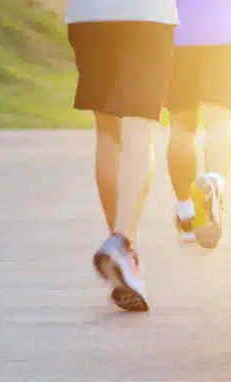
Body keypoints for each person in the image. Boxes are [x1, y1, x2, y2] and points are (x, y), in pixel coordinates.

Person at [65, 0, 179, 312]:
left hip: (89, 16)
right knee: (140, 132)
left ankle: (122, 251)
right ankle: (122, 241)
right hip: (145, 15)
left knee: (107, 132)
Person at [166, 0, 231, 248]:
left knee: (181, 126)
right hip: (227, 34)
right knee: (220, 120)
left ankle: (187, 213)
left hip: (177, 36)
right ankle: (213, 181)